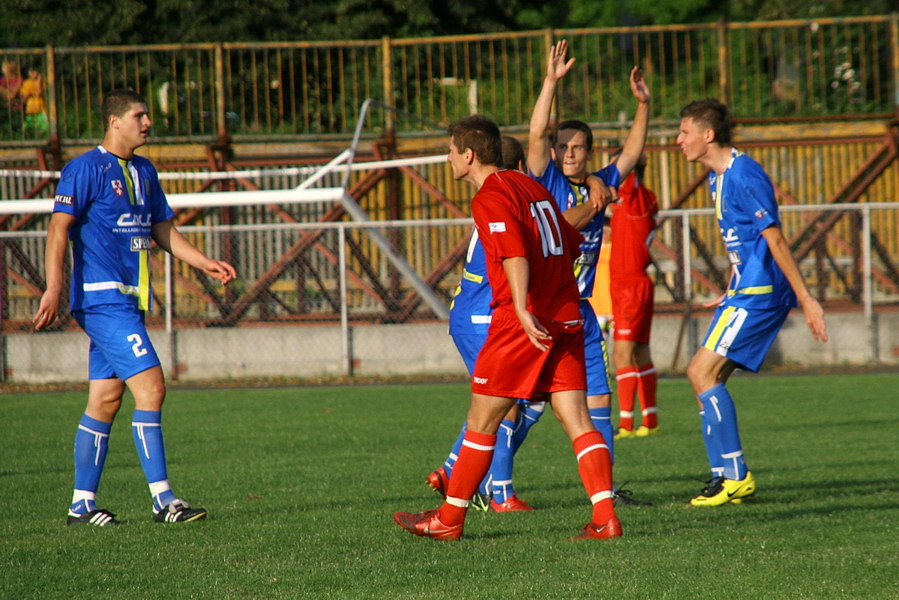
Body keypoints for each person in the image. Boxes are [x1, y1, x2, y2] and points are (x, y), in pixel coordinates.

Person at [394, 114, 621, 541]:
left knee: (481, 420)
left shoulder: (490, 196)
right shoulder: (532, 187)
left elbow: (514, 253)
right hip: (567, 316)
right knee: (576, 418)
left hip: (524, 322)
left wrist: (520, 308)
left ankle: (449, 520)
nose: (448, 159)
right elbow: (569, 240)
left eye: (450, 151)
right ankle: (604, 517)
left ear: (468, 155)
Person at [32, 88, 237, 526]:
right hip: (102, 299)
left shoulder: (144, 170)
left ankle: (80, 507)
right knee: (152, 387)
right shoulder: (83, 169)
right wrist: (53, 288)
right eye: (140, 116)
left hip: (129, 300)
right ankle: (165, 502)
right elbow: (57, 230)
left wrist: (204, 263)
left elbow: (162, 229)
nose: (148, 123)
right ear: (115, 122)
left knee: (106, 399)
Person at [676, 99, 828, 506]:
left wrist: (806, 298)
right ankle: (722, 475)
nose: (679, 140)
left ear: (708, 135)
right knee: (709, 380)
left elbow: (774, 239)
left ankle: (736, 474)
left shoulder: (745, 174)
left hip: (760, 295)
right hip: (744, 291)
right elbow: (741, 243)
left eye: (684, 132)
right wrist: (731, 285)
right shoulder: (717, 177)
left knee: (699, 372)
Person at [527, 40, 650, 474]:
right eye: (562, 147)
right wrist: (550, 82)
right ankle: (495, 486)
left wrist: (643, 106)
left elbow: (632, 154)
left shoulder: (598, 181)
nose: (567, 153)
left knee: (600, 401)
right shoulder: (545, 180)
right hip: (542, 308)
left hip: (580, 310)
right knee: (522, 405)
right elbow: (537, 134)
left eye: (576, 147)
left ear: (589, 152)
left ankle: (608, 492)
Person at [430, 136, 552, 513]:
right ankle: (501, 493)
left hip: (483, 315)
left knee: (532, 399)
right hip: (481, 316)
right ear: (517, 172)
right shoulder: (502, 202)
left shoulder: (503, 197)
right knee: (506, 405)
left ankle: (453, 470)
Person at [607, 153, 661, 439]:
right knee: (639, 352)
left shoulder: (637, 196)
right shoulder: (634, 201)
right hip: (629, 285)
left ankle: (626, 423)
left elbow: (628, 173)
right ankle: (650, 419)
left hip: (631, 286)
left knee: (622, 354)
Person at [20, 66, 48, 136]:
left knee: (45, 129)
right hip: (30, 110)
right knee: (27, 130)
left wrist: (39, 80)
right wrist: (28, 94)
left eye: (35, 72)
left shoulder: (42, 82)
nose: (33, 74)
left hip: (41, 110)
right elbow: (24, 97)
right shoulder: (26, 83)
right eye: (31, 72)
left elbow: (39, 93)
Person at [0, 60, 23, 132]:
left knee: (16, 130)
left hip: (15, 109)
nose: (2, 69)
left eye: (4, 67)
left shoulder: (19, 79)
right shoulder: (2, 80)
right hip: (3, 109)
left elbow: (12, 95)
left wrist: (2, 89)